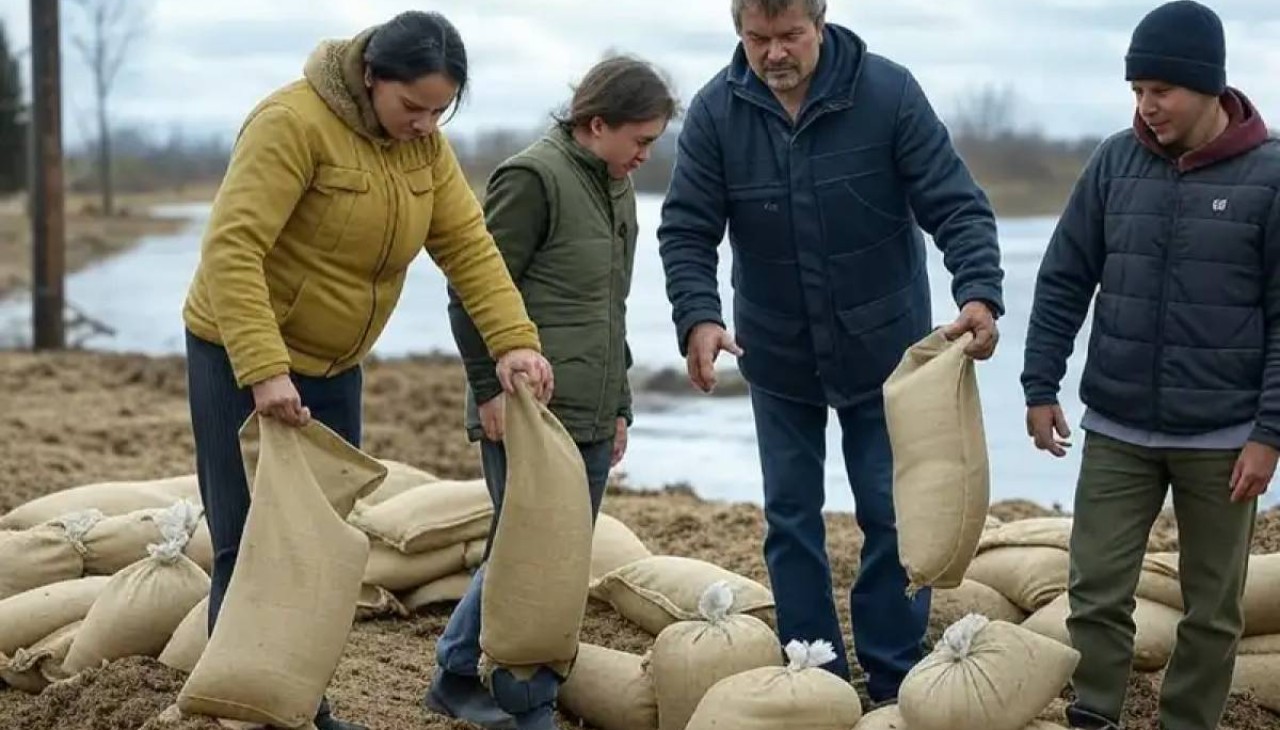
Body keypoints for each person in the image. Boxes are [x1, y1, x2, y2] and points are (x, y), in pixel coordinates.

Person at [181, 12, 553, 730]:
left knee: (319, 545)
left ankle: (302, 706)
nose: (425, 124)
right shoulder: (291, 124)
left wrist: (513, 341)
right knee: (250, 540)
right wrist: (264, 370)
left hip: (334, 366)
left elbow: (468, 246)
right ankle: (244, 713)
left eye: (440, 111)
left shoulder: (424, 150)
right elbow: (232, 249)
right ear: (371, 76)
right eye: (413, 106)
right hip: (239, 355)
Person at [657, 0, 1005, 705]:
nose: (773, 54)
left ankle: (892, 674)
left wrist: (980, 291)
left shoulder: (888, 93)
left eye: (789, 36)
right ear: (739, 34)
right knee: (790, 516)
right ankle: (814, 671)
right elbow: (687, 229)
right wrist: (699, 317)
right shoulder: (716, 113)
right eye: (757, 38)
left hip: (885, 351)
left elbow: (956, 205)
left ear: (820, 24)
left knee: (890, 512)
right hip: (776, 350)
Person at [1021, 2, 1279, 729]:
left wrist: (1270, 432)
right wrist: (1040, 382)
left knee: (1214, 607)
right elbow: (1064, 277)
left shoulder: (1271, 175)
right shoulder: (1114, 162)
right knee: (1095, 588)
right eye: (1136, 90)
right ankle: (1095, 714)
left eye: (1160, 90)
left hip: (1224, 436)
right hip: (1118, 426)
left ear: (1208, 86)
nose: (1145, 105)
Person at [425, 55, 679, 730]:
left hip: (590, 408)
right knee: (530, 555)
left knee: (552, 557)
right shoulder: (532, 178)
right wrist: (488, 389)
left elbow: (609, 308)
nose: (646, 155)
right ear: (597, 124)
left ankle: (461, 669)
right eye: (640, 140)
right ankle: (514, 695)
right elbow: (470, 290)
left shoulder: (616, 187)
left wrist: (619, 406)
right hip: (529, 411)